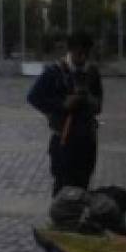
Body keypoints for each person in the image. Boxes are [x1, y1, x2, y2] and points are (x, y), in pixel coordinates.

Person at [28, 31, 104, 195]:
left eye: (86, 54)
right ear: (70, 50)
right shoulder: (54, 72)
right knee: (63, 189)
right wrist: (62, 104)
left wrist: (88, 99)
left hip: (87, 140)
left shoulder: (92, 72)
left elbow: (99, 106)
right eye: (79, 54)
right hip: (63, 140)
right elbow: (34, 98)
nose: (82, 58)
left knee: (83, 188)